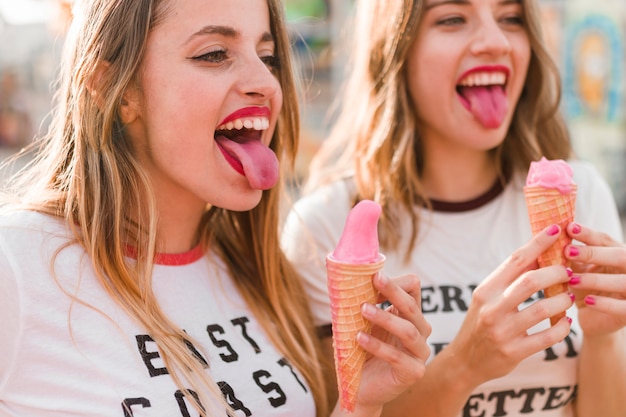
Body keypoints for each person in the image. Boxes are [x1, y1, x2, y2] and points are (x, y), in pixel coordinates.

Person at [0, 1, 431, 416]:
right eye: (214, 54)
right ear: (115, 88)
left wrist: (362, 402)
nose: (264, 81)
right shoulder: (16, 262)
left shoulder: (265, 278)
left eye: (268, 56)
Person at [281, 0, 626, 416]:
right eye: (452, 18)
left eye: (511, 18)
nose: (495, 42)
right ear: (396, 49)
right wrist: (464, 364)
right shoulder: (326, 229)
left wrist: (604, 337)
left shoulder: (581, 192)